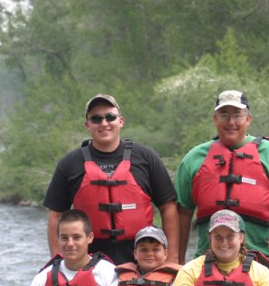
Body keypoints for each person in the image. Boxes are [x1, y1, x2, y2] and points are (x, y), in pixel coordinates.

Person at [43, 93, 179, 265]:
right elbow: (55, 216)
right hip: (89, 264)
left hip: (142, 262)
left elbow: (168, 208)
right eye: (96, 119)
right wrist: (57, 262)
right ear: (87, 125)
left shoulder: (146, 158)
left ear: (120, 121)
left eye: (110, 117)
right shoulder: (69, 164)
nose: (104, 123)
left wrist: (172, 260)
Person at [174, 90, 269, 263]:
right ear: (215, 119)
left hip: (261, 259)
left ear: (248, 119)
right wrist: (177, 262)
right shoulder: (194, 158)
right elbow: (182, 212)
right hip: (207, 259)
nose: (231, 122)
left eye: (237, 115)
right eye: (224, 115)